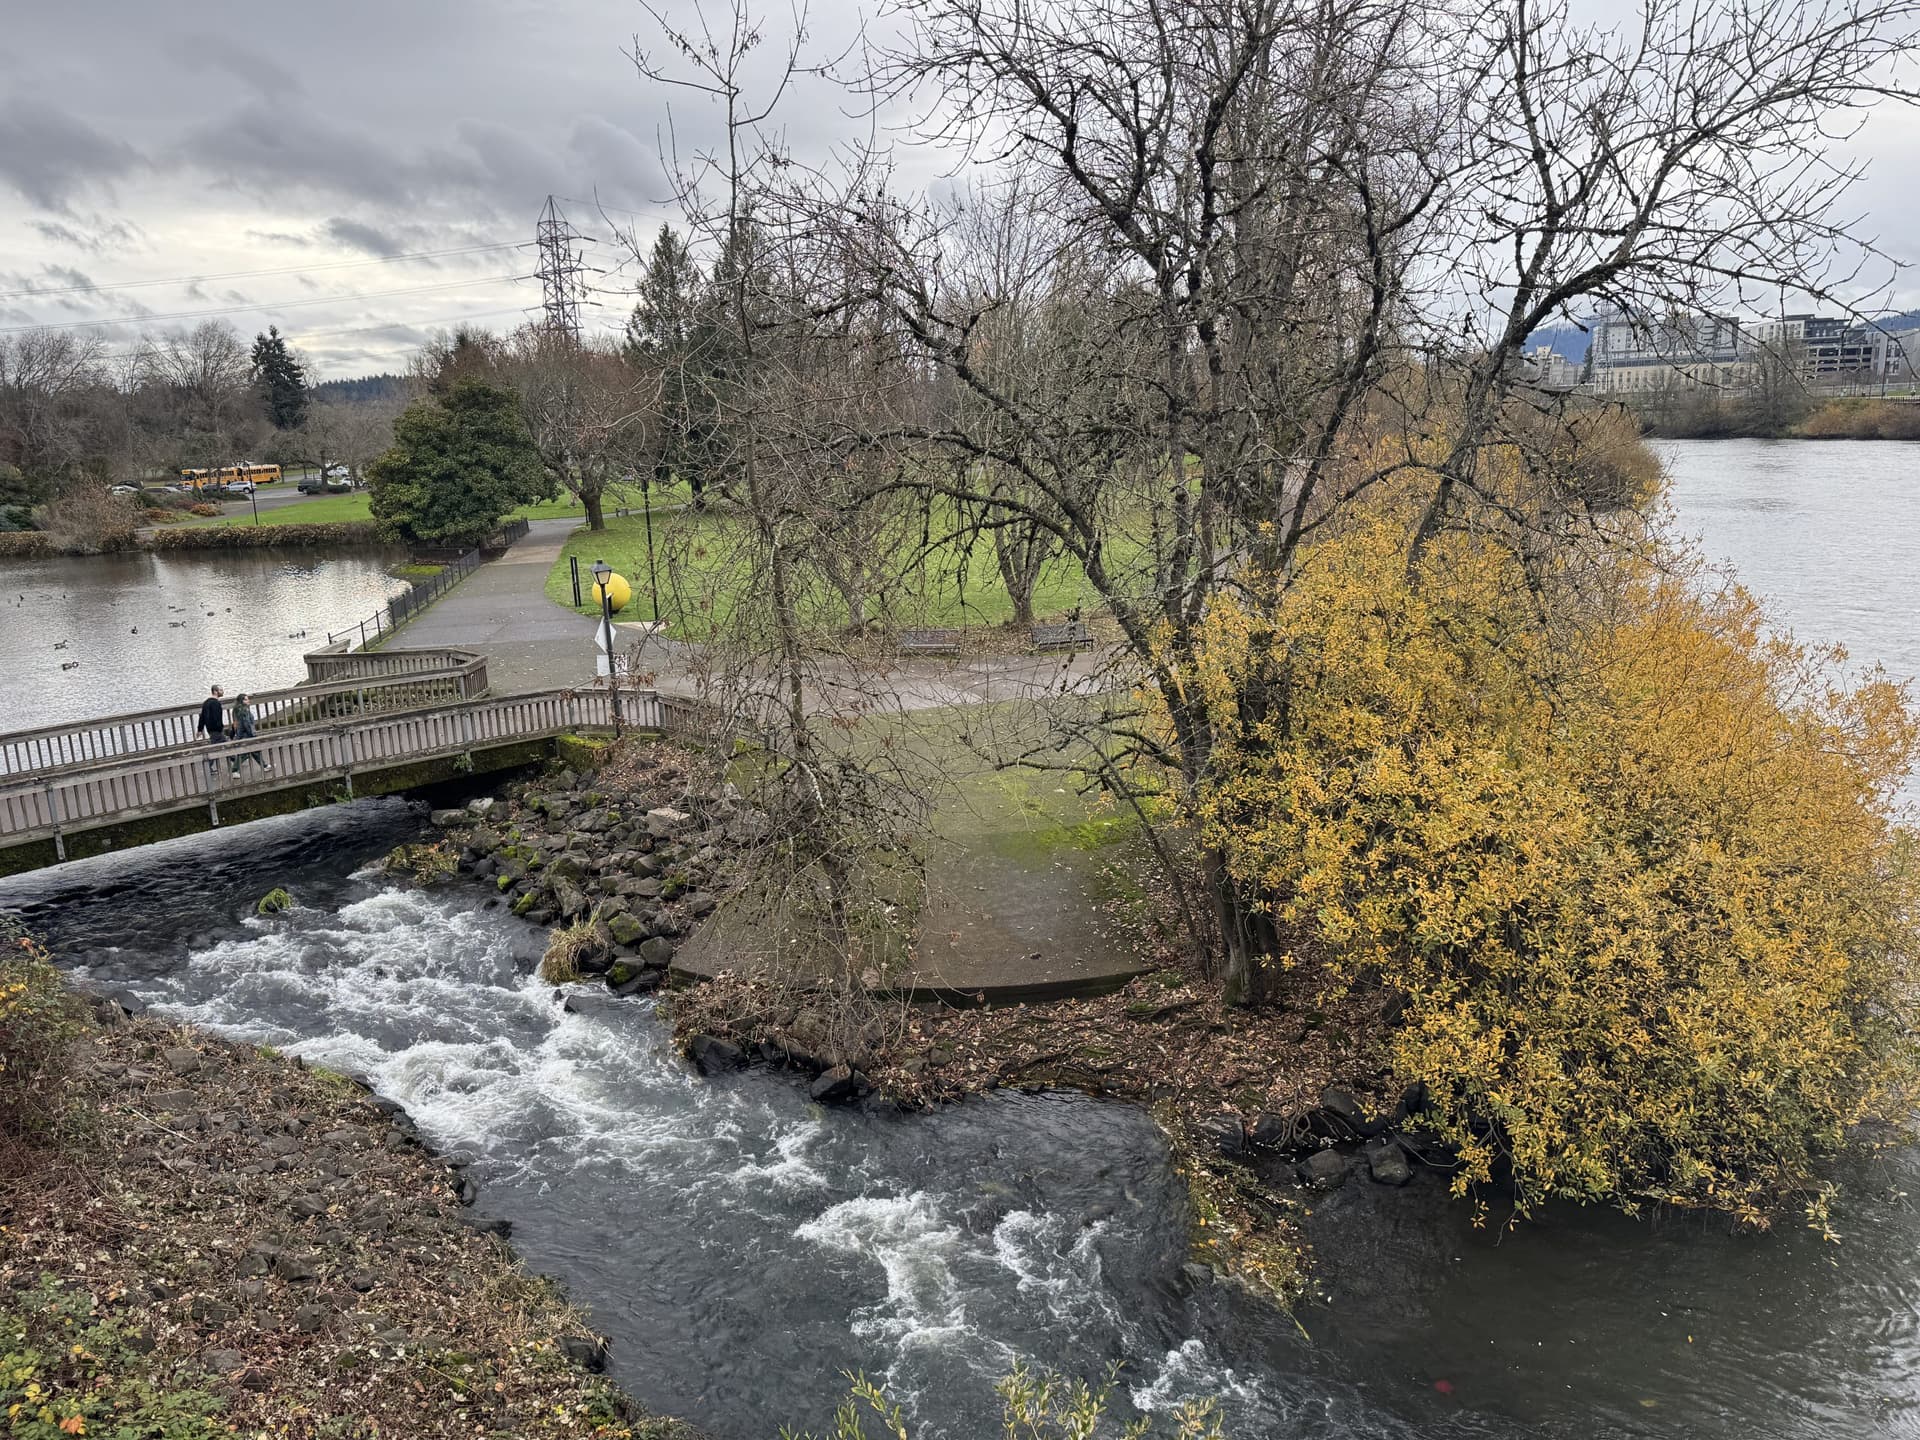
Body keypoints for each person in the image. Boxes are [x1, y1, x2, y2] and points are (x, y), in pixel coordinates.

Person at [227, 693, 271, 776]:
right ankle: (234, 771)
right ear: (242, 701)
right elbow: (246, 724)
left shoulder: (236, 709)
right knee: (244, 753)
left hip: (240, 733)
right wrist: (252, 734)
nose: (248, 700)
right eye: (246, 699)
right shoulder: (244, 710)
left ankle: (264, 766)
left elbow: (235, 723)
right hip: (246, 734)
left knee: (254, 751)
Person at [195, 685, 226, 776]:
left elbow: (202, 717)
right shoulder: (216, 703)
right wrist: (220, 728)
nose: (222, 691)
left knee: (224, 744)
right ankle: (208, 768)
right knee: (216, 748)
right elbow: (217, 718)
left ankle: (236, 761)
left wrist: (200, 729)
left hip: (210, 730)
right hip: (216, 730)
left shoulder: (206, 703)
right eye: (221, 690)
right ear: (215, 692)